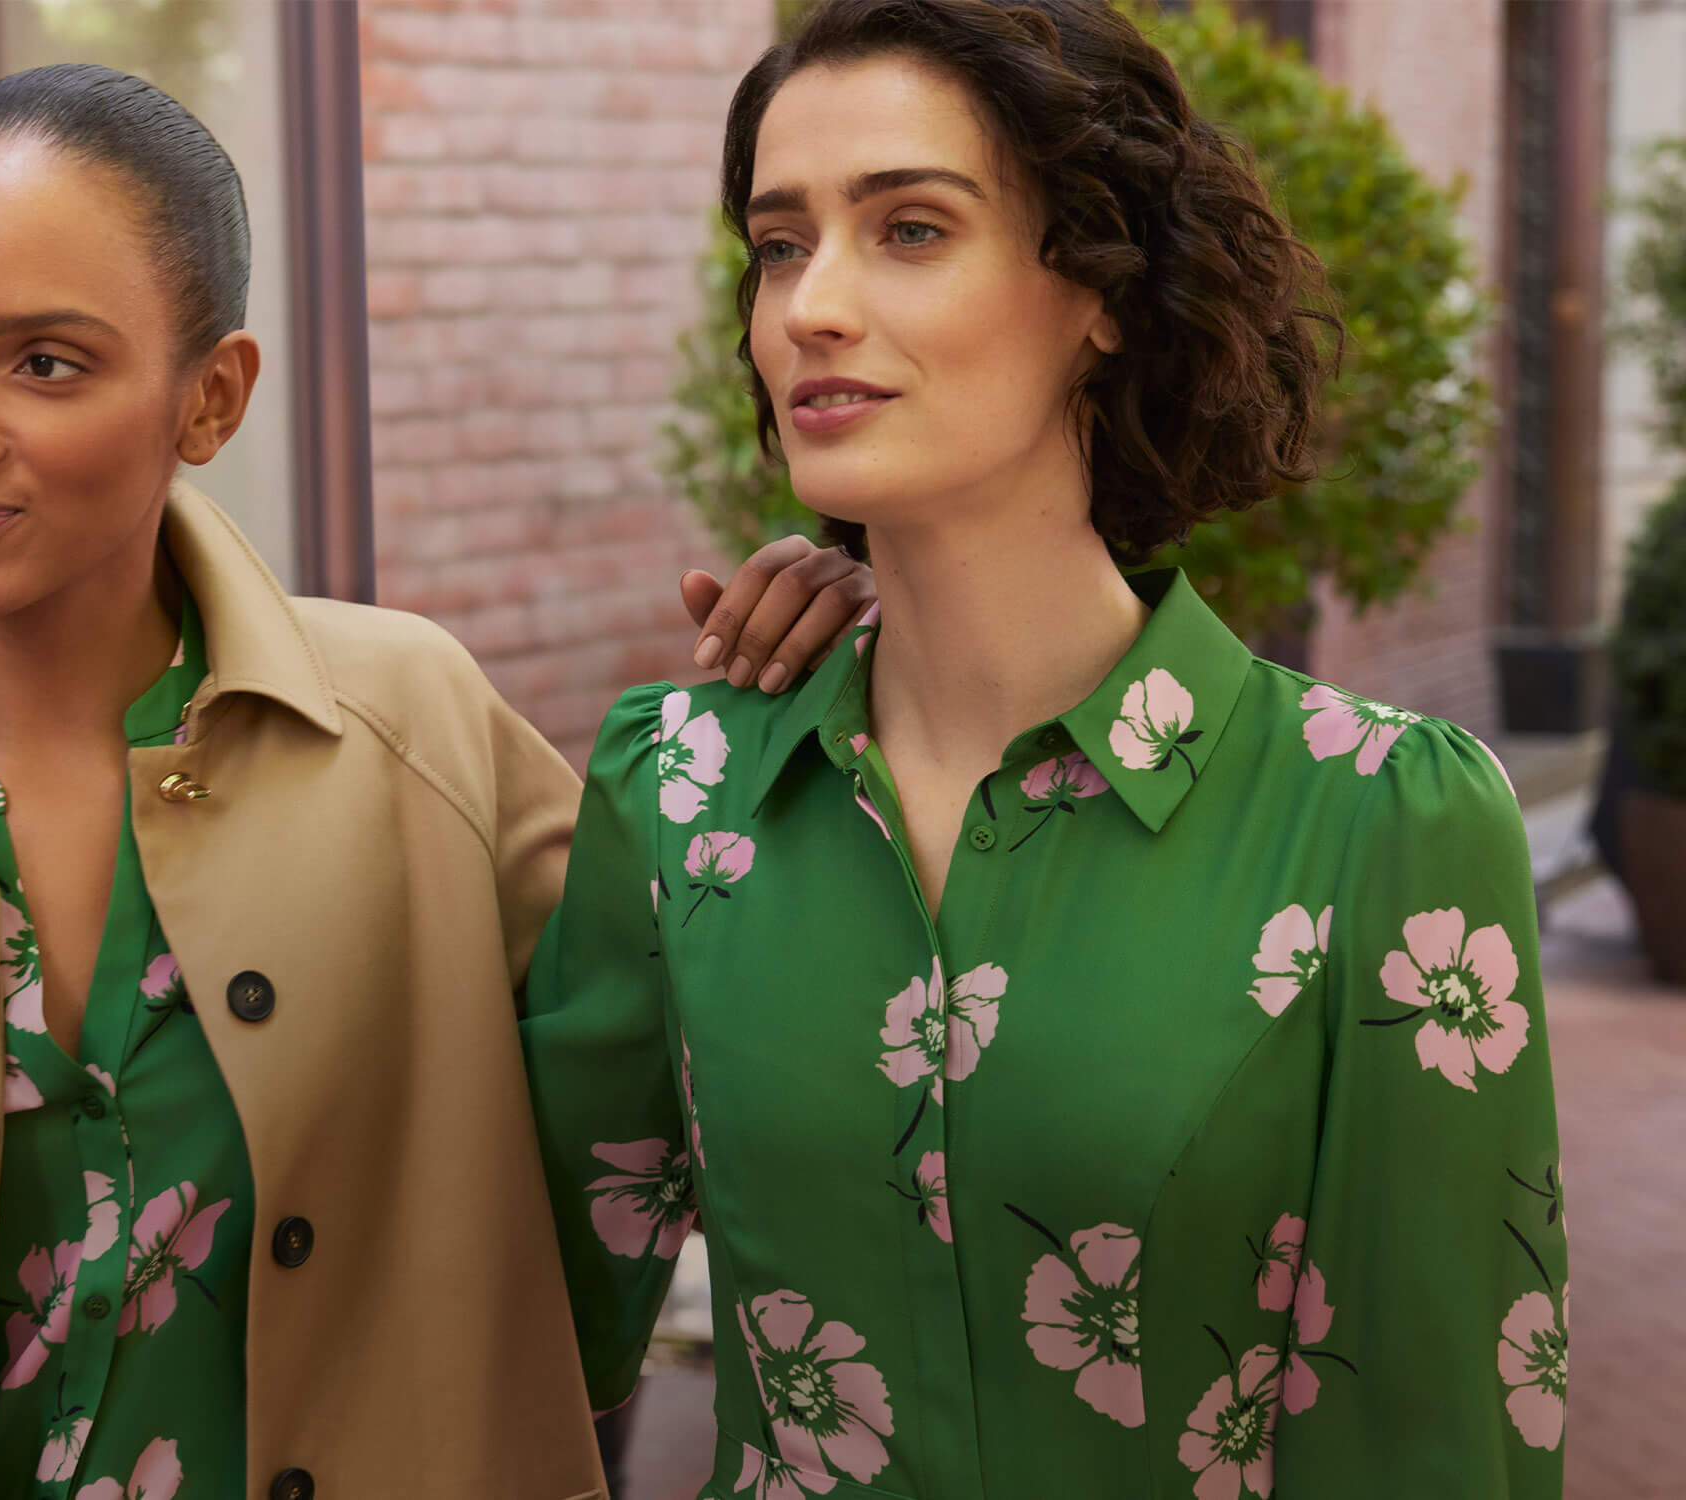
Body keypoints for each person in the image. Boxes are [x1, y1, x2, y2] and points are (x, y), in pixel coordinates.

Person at [0, 63, 871, 1500]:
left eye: (43, 362)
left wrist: (877, 647)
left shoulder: (416, 733)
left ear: (212, 398)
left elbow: (705, 1086)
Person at [521, 3, 1568, 1497]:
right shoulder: (680, 791)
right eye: (778, 243)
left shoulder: (1374, 820)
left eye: (910, 229)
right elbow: (514, 1314)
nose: (810, 304)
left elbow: (1440, 1437)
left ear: (1104, 290)